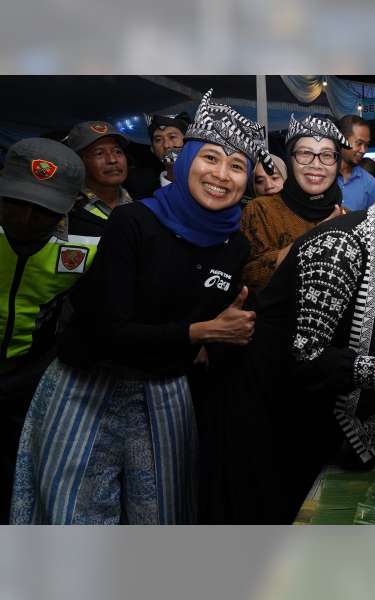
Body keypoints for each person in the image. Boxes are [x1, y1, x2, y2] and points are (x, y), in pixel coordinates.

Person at [10, 90, 268, 524]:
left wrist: (220, 339)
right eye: (210, 158)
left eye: (237, 166)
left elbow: (219, 334)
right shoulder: (134, 223)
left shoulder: (235, 245)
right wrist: (199, 334)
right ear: (184, 161)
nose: (221, 174)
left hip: (163, 390)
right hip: (87, 385)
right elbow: (107, 330)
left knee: (162, 517)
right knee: (78, 518)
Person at [203, 139, 375, 523]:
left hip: (314, 414)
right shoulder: (342, 246)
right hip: (267, 413)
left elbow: (371, 336)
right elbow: (305, 357)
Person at [0, 138, 100, 524]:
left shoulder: (89, 247)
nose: (25, 219)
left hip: (34, 386)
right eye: (14, 203)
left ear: (71, 205)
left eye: (41, 211)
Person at [240, 114, 348, 291]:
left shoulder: (348, 218)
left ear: (337, 164)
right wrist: (314, 239)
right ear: (290, 159)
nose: (316, 164)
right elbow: (248, 279)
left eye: (327, 155)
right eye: (305, 153)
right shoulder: (261, 210)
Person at [65, 121, 133, 238]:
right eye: (99, 153)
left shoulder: (143, 201)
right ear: (79, 162)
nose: (112, 159)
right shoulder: (66, 210)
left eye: (117, 151)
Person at [337, 114, 375, 212]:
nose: (363, 150)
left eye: (366, 145)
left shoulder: (369, 183)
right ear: (341, 140)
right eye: (359, 143)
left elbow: (374, 222)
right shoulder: (321, 176)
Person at [147, 111, 190, 190]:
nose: (166, 145)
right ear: (152, 149)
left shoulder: (210, 181)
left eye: (172, 137)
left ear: (188, 143)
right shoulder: (148, 195)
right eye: (158, 140)